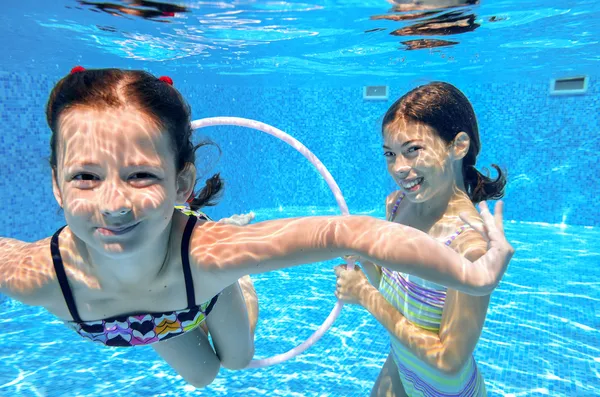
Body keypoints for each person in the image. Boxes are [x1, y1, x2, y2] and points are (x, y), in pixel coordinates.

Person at [0, 68, 514, 389]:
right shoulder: (34, 273)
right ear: (55, 184)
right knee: (203, 376)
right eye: (86, 176)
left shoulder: (208, 256)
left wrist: (472, 276)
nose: (113, 205)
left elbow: (347, 232)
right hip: (142, 320)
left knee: (230, 363)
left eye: (140, 176)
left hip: (188, 294)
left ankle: (236, 288)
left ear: (182, 183)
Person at [335, 82, 506, 396]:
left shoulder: (468, 245)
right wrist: (363, 259)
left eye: (413, 150)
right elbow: (397, 289)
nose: (399, 168)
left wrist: (363, 297)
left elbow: (449, 359)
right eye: (390, 154)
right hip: (402, 365)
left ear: (458, 146)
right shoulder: (397, 205)